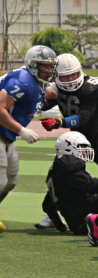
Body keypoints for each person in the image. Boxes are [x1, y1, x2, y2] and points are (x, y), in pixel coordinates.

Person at [37, 53, 98, 231]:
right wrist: (37, 97)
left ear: (80, 72)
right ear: (56, 76)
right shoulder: (56, 89)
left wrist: (59, 122)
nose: (68, 79)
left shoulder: (92, 87)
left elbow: (83, 118)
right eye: (64, 76)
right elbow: (40, 105)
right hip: (74, 141)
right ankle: (52, 214)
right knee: (61, 177)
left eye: (72, 75)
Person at [0, 45, 56, 230]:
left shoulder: (36, 80)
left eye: (51, 66)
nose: (49, 70)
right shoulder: (22, 80)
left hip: (7, 136)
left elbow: (44, 94)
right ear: (33, 65)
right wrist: (22, 130)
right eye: (44, 66)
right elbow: (0, 109)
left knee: (10, 182)